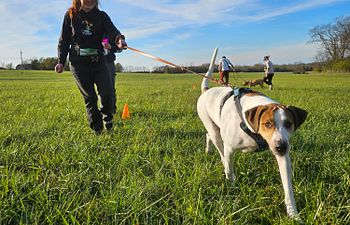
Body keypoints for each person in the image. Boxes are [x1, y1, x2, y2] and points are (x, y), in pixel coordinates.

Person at [55, 0, 127, 134]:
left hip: (99, 61)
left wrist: (119, 39)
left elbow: (112, 31)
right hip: (78, 63)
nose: (89, 1)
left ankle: (107, 118)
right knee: (90, 98)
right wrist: (61, 61)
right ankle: (97, 130)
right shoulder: (70, 15)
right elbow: (64, 40)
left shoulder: (102, 16)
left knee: (107, 93)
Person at [101, 37, 122, 115]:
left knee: (110, 88)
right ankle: (101, 110)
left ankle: (112, 110)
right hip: (94, 62)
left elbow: (120, 48)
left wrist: (111, 47)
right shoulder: (93, 30)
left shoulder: (110, 32)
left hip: (108, 63)